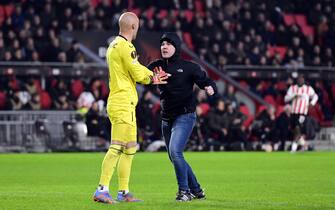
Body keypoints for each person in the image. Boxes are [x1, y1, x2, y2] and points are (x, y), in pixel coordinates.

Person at [93, 12, 169, 204]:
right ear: (133, 27)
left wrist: (151, 74)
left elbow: (134, 68)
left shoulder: (114, 45)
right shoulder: (126, 47)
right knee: (117, 147)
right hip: (122, 103)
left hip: (125, 103)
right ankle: (101, 190)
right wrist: (153, 78)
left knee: (130, 148)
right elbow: (136, 72)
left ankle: (123, 191)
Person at [148, 32, 217, 201]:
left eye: (169, 44)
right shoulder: (156, 65)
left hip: (185, 115)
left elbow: (206, 81)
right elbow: (139, 74)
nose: (164, 46)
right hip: (166, 118)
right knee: (174, 156)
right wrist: (148, 78)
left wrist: (210, 87)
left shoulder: (189, 67)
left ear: (176, 47)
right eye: (162, 44)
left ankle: (184, 191)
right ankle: (197, 190)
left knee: (175, 152)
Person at [284, 74, 318, 152]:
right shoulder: (292, 88)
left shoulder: (308, 89)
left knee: (297, 127)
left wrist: (312, 103)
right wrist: (293, 96)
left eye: (302, 79)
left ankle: (293, 148)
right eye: (299, 79)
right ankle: (303, 143)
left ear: (304, 80)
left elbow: (315, 96)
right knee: (294, 129)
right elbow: (285, 99)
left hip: (302, 113)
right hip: (293, 112)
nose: (300, 80)